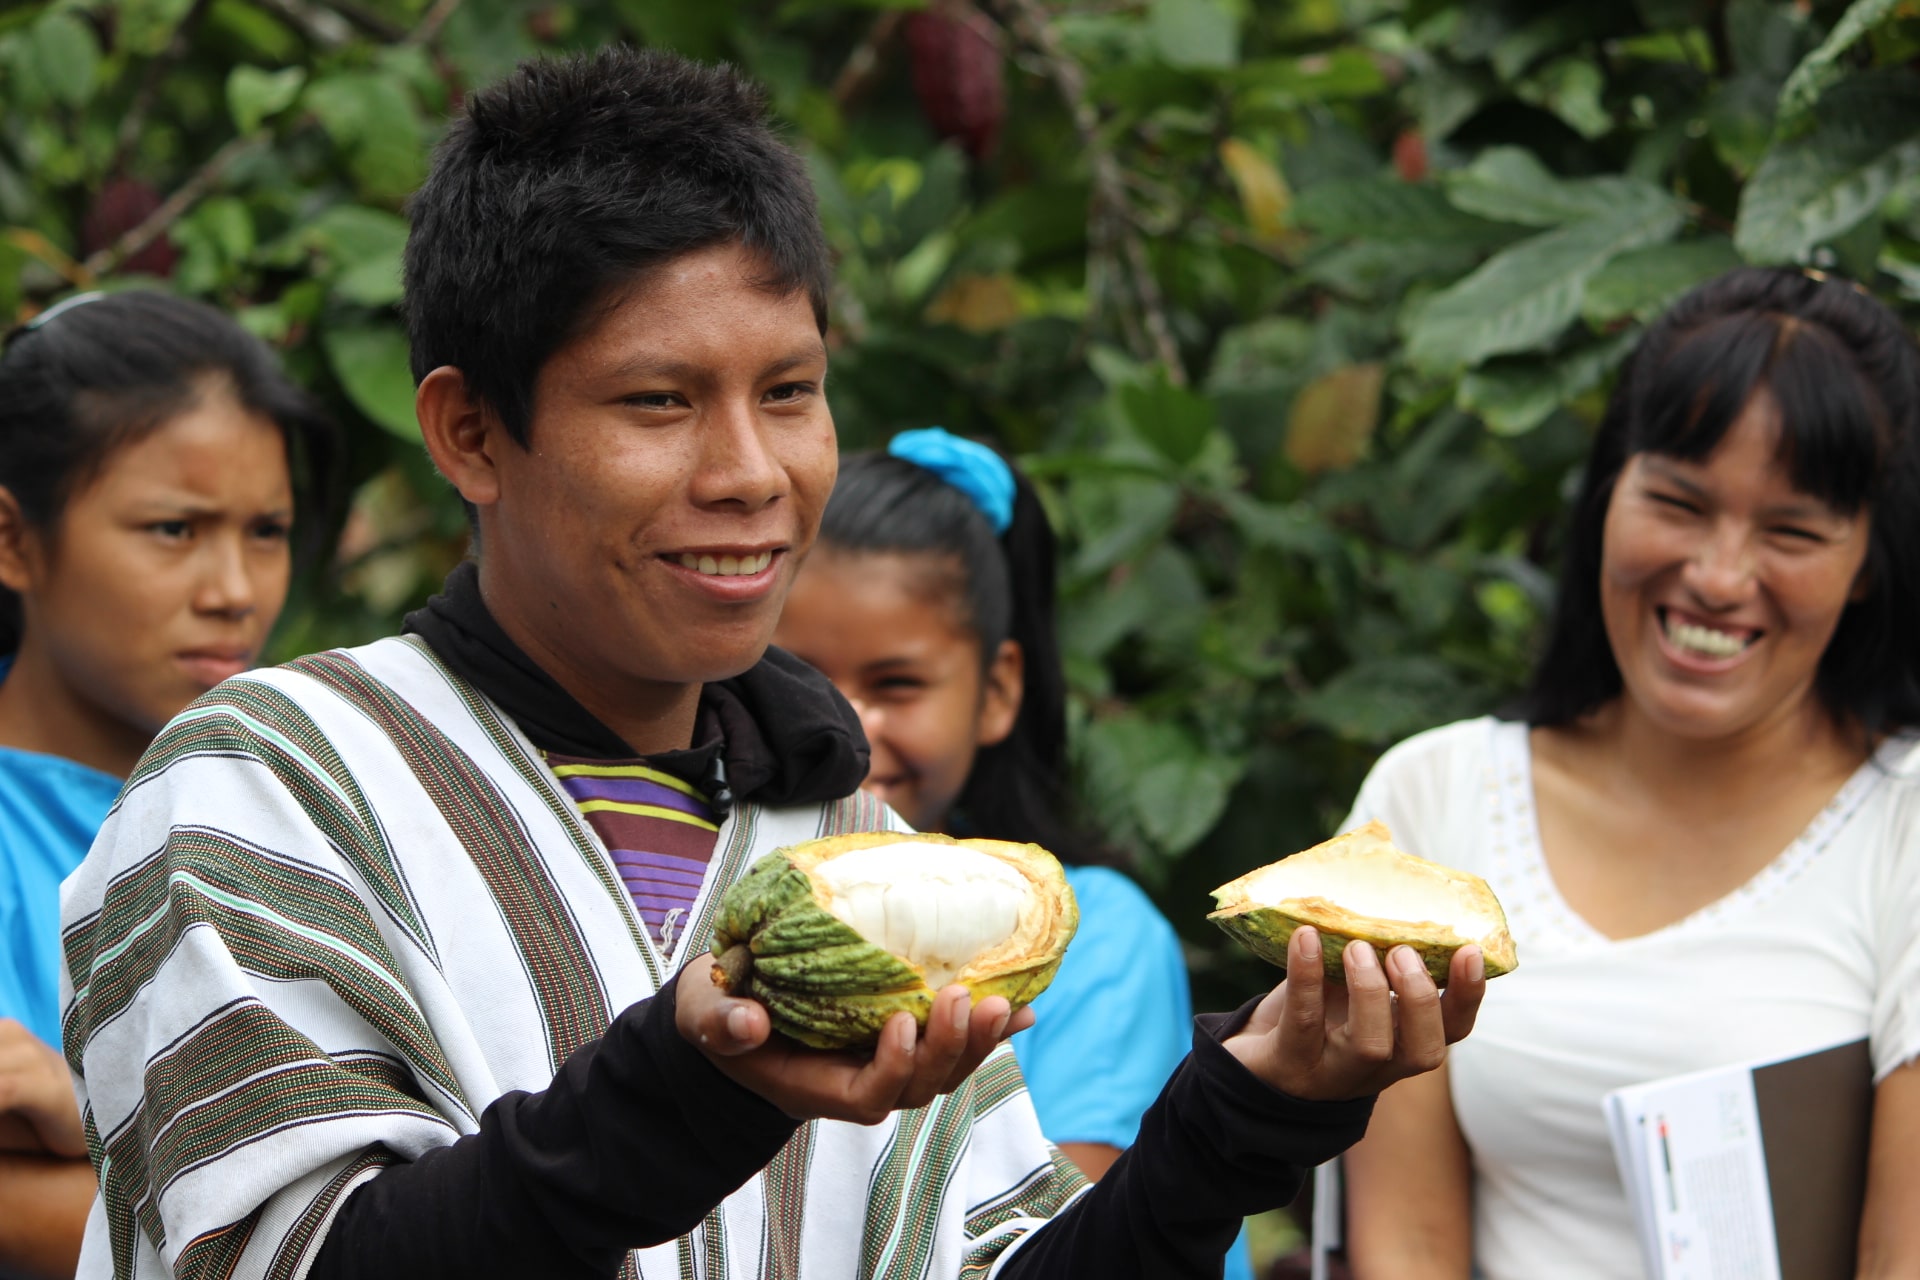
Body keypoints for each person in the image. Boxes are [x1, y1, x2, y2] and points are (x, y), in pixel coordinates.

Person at [59, 48, 1484, 1280]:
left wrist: (1245, 1112)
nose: (751, 474)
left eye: (789, 393)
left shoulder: (849, 849)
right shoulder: (270, 790)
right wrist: (691, 1088)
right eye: (659, 401)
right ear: (470, 434)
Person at [1338, 266, 1920, 1279]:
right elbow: (1405, 1243)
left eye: (1790, 530)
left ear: (1868, 559)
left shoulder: (1905, 832)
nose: (1719, 574)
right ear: (1608, 492)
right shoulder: (1428, 798)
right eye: (1679, 502)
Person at [773, 431, 1257, 1280]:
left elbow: (1083, 1236)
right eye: (804, 677)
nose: (848, 727)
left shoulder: (1097, 937)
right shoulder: (719, 894)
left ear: (996, 691)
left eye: (897, 685)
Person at [0, 289, 336, 1278]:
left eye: (266, 530)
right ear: (14, 539)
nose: (233, 588)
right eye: (174, 529)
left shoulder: (324, 805)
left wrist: (85, 1112)